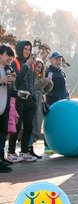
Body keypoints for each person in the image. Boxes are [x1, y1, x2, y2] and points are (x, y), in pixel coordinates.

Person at [0, 44, 30, 172]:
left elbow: (11, 90)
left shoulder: (8, 70)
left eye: (12, 56)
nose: (11, 58)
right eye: (8, 55)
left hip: (3, 109)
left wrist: (19, 93)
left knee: (2, 136)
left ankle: (1, 160)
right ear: (0, 54)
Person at [7, 40, 37, 162]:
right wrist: (26, 65)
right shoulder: (14, 63)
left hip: (29, 100)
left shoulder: (31, 64)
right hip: (18, 99)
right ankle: (11, 152)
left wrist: (34, 98)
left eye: (29, 49)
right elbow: (17, 81)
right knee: (17, 127)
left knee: (29, 126)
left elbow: (32, 83)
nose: (27, 51)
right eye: (25, 49)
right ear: (20, 49)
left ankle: (24, 152)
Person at [43, 51, 68, 156]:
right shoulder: (48, 71)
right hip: (52, 102)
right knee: (50, 123)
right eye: (56, 59)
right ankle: (47, 146)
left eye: (60, 59)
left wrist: (67, 95)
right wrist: (53, 95)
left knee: (61, 123)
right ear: (51, 60)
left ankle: (59, 145)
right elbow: (45, 87)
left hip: (63, 102)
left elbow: (64, 87)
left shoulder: (62, 72)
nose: (58, 61)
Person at [28, 59, 53, 159]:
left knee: (36, 126)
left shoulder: (39, 78)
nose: (38, 69)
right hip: (32, 105)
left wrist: (49, 85)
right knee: (31, 126)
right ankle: (28, 149)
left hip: (39, 105)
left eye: (40, 68)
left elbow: (42, 91)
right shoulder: (30, 76)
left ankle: (30, 148)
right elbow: (33, 88)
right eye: (37, 67)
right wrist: (44, 81)